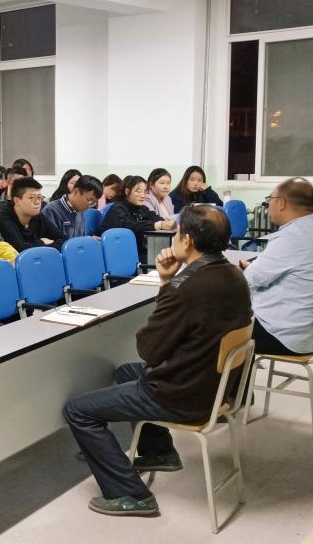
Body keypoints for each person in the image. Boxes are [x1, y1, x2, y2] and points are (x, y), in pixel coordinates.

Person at [64, 205, 251, 517]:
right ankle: (158, 451)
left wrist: (168, 284)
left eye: (177, 233)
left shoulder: (187, 286)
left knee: (78, 411)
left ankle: (131, 494)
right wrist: (168, 280)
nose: (174, 238)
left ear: (187, 240)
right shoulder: (234, 275)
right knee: (126, 372)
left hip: (180, 394)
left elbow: (149, 350)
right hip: (214, 386)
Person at [239, 178, 313, 356]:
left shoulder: (292, 237)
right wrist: (253, 269)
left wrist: (240, 272)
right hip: (309, 335)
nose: (268, 205)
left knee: (214, 326)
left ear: (281, 203)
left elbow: (248, 280)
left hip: (281, 336)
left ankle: (235, 373)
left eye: (269, 199)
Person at [100, 175, 176, 260]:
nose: (143, 195)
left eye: (145, 192)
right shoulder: (118, 208)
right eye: (138, 191)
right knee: (159, 259)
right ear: (127, 191)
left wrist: (167, 223)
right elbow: (129, 227)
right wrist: (157, 225)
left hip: (135, 251)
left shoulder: (142, 208)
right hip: (117, 254)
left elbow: (155, 218)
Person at [0, 177, 66, 252]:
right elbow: (20, 250)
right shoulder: (4, 218)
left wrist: (39, 246)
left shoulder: (38, 216)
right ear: (17, 201)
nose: (37, 202)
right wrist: (41, 242)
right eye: (32, 198)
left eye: (39, 197)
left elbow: (64, 241)